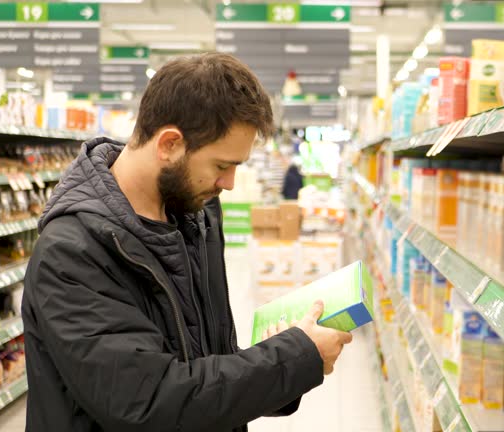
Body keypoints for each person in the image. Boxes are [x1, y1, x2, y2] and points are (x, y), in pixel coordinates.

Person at [22, 53, 353, 432]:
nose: (228, 183)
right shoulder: (71, 253)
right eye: (221, 165)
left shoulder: (197, 215)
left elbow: (207, 362)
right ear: (169, 144)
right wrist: (294, 358)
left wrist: (282, 355)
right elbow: (149, 401)